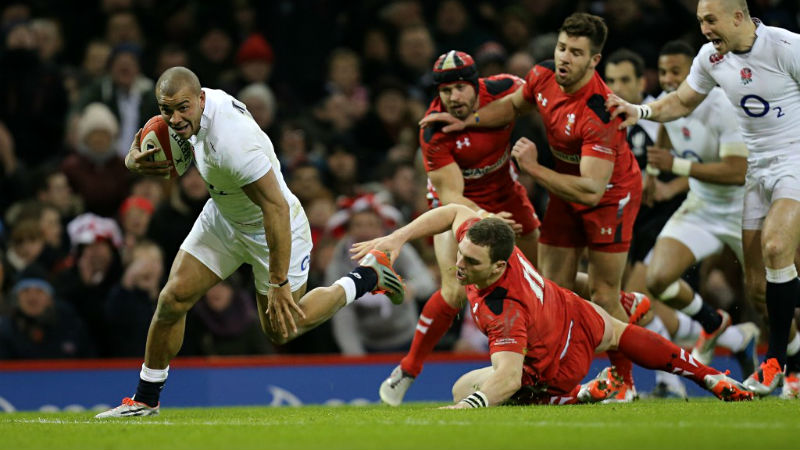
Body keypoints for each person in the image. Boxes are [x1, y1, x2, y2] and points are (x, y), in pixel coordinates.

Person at [95, 67, 406, 418]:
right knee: (172, 299)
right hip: (225, 214)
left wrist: (278, 282)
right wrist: (130, 159)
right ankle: (144, 400)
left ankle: (368, 275)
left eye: (182, 108)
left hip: (271, 225)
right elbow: (152, 144)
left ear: (200, 100)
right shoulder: (184, 109)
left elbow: (275, 208)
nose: (174, 119)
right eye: (166, 110)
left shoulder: (232, 141)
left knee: (284, 328)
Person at [419, 14, 643, 401]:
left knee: (604, 295)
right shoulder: (541, 77)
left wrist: (534, 168)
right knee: (551, 290)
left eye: (576, 53)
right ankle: (556, 375)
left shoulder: (599, 109)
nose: (564, 58)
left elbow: (591, 190)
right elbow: (511, 107)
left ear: (594, 60)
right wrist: (470, 120)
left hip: (609, 196)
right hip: (563, 187)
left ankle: (624, 381)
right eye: (561, 48)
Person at [352, 204, 753, 406]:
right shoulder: (490, 245)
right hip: (570, 312)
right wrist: (398, 237)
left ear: (497, 267)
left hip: (556, 365)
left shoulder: (502, 307)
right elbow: (457, 211)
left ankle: (570, 395)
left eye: (471, 262)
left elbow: (507, 379)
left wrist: (467, 409)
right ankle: (709, 377)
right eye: (461, 253)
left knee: (464, 387)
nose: (459, 264)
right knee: (618, 332)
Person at [606, 0, 800, 396]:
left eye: (710, 20)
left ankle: (776, 362)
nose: (705, 29)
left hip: (794, 161)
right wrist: (639, 111)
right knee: (758, 287)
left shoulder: (784, 47)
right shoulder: (711, 58)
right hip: (756, 175)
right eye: (699, 22)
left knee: (777, 246)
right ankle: (788, 360)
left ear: (738, 17)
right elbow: (680, 102)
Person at [377, 50, 542, 405]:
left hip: (508, 195)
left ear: (475, 84)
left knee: (542, 280)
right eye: (446, 91)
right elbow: (453, 195)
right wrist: (488, 218)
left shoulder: (504, 89)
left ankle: (538, 368)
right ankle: (408, 368)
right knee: (453, 291)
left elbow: (534, 99)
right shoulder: (433, 129)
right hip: (456, 207)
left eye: (460, 88)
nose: (454, 98)